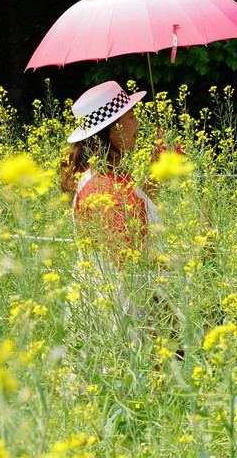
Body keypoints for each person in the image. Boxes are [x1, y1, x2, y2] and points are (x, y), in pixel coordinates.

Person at [59, 81, 176, 354]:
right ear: (112, 129)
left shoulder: (111, 173)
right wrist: (191, 262)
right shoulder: (100, 187)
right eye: (131, 117)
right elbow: (129, 254)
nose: (137, 123)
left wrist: (157, 172)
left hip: (130, 298)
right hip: (117, 311)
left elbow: (134, 212)